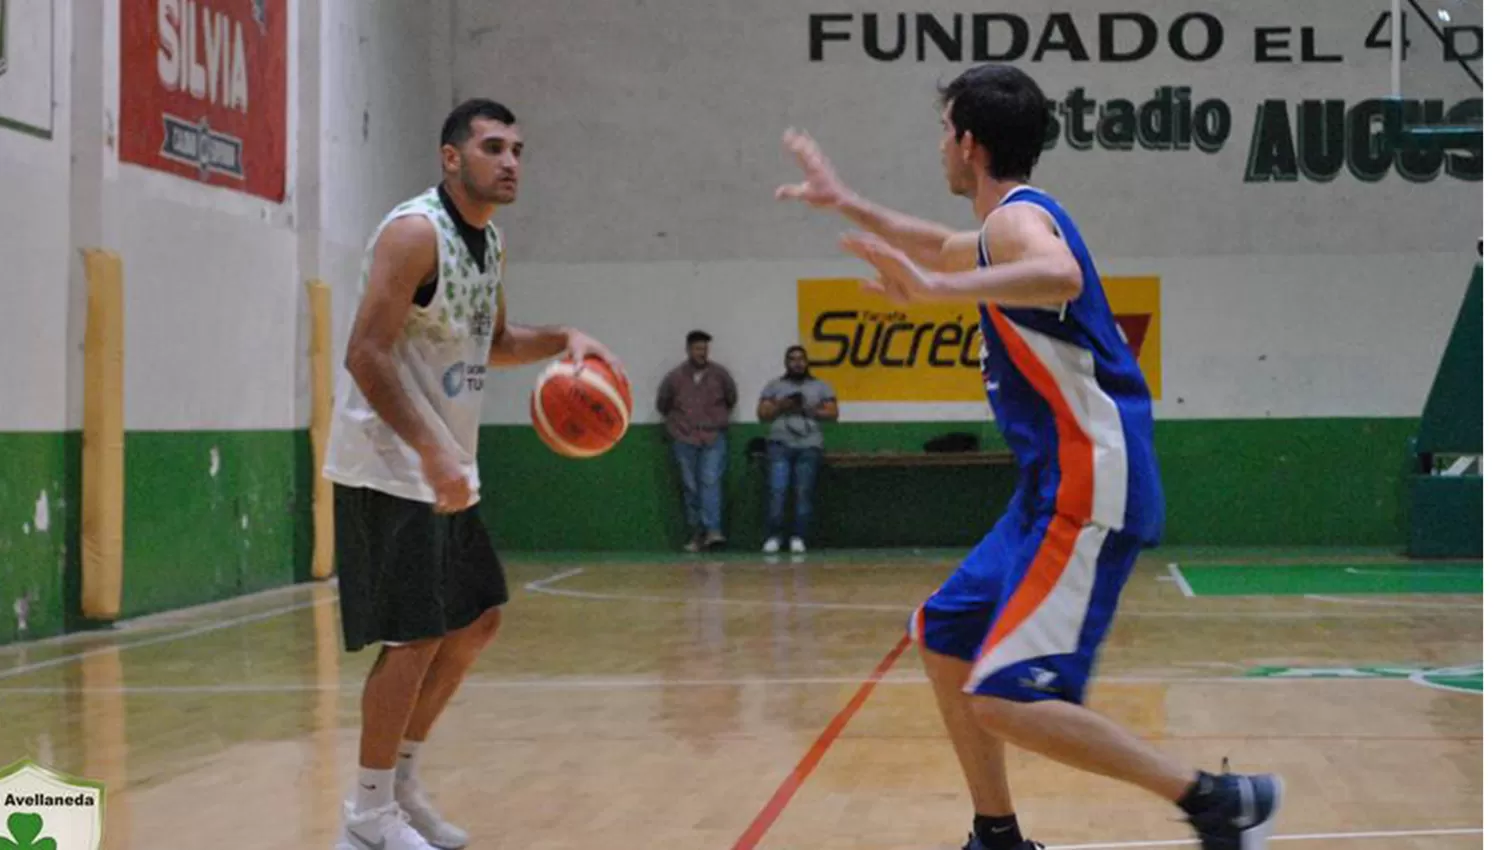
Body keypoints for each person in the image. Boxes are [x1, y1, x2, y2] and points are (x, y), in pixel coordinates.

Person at [775, 64, 1282, 850]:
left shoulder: (1020, 225)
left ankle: (1219, 800)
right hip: (1048, 487)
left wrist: (932, 294)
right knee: (944, 635)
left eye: (944, 131)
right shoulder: (999, 227)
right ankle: (996, 835)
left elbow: (1059, 274)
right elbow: (946, 247)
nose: (940, 145)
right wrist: (845, 202)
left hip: (1090, 480)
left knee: (1003, 695)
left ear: (968, 144)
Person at [322, 98, 621, 850]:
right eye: (493, 147)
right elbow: (365, 351)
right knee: (413, 640)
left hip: (443, 467)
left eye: (518, 148)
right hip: (389, 465)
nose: (511, 160)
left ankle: (401, 783)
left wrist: (563, 339)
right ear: (451, 157)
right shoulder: (414, 233)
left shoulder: (488, 244)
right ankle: (365, 816)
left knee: (477, 621)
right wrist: (430, 450)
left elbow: (493, 340)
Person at [655, 330, 738, 551]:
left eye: (705, 349)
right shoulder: (674, 378)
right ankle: (697, 534)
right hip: (684, 437)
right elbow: (663, 404)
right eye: (698, 348)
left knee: (710, 481)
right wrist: (676, 427)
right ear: (688, 350)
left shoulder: (721, 375)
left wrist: (716, 419)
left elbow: (731, 398)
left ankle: (713, 531)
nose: (702, 353)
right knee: (690, 486)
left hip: (713, 436)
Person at [756, 345, 838, 553]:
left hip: (809, 446)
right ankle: (774, 536)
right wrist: (781, 406)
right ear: (786, 363)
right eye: (792, 359)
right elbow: (763, 414)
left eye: (801, 359)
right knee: (778, 491)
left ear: (807, 362)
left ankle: (798, 537)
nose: (797, 363)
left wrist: (808, 408)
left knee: (803, 492)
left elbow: (833, 414)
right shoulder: (774, 386)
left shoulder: (821, 386)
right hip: (779, 445)